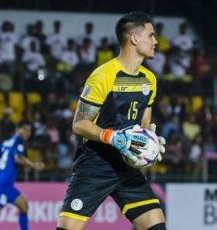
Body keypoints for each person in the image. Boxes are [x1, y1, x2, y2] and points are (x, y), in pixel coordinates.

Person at [57, 12, 166, 230]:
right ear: (134, 38)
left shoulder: (150, 79)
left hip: (125, 167)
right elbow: (79, 124)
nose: (156, 41)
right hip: (95, 165)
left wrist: (150, 142)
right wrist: (112, 137)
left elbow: (143, 125)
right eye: (151, 35)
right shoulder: (103, 75)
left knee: (157, 226)